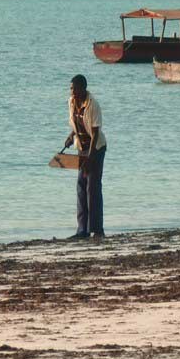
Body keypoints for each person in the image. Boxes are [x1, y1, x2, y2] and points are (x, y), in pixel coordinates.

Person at [63, 74, 106, 241]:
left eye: (74, 88)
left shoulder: (93, 104)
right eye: (71, 88)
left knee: (92, 187)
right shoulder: (72, 103)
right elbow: (77, 123)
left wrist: (91, 156)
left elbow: (95, 133)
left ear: (82, 88)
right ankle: (82, 230)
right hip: (81, 147)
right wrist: (70, 136)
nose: (71, 91)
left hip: (96, 149)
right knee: (81, 186)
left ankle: (97, 230)